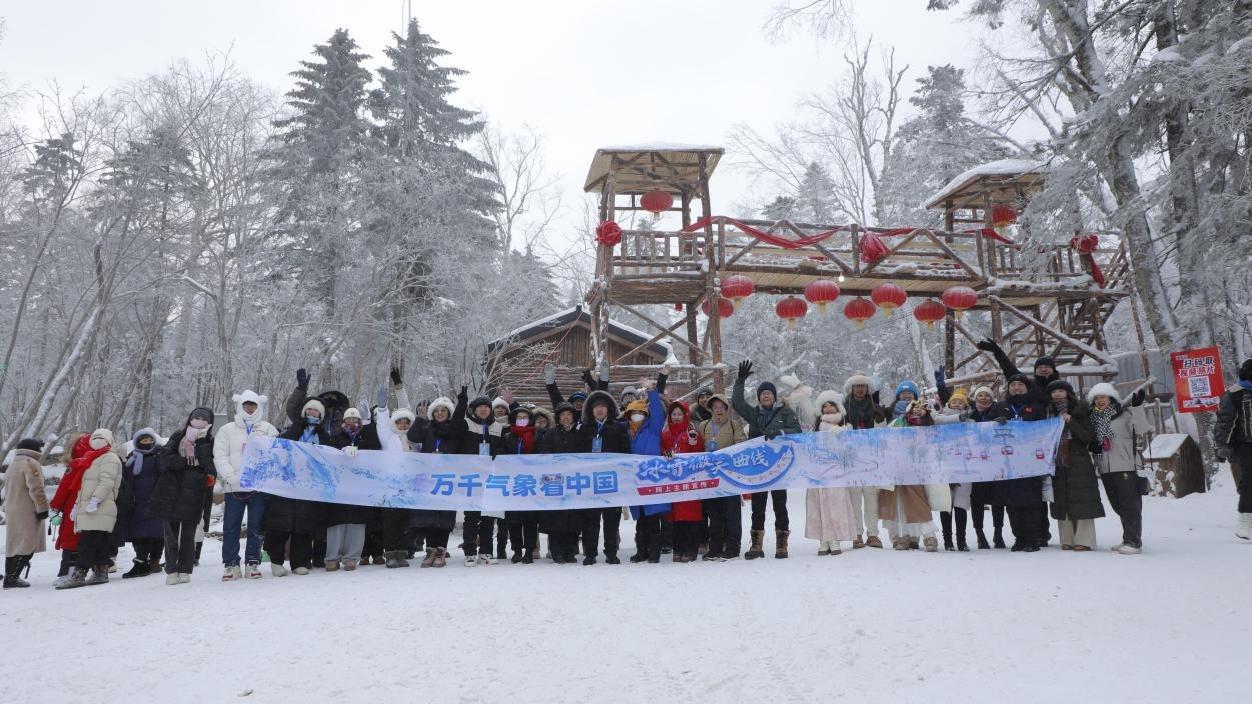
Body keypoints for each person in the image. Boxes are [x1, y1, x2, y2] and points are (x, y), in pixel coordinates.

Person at [732, 360, 802, 560]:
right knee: (757, 506)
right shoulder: (754, 415)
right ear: (759, 398)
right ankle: (756, 545)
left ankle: (782, 544)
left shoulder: (785, 412)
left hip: (779, 466)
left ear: (774, 396)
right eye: (762, 394)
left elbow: (797, 432)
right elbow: (737, 403)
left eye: (768, 393)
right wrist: (739, 382)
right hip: (759, 467)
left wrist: (779, 431)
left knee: (780, 505)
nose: (765, 396)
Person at [213, 390, 278, 580]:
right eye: (246, 405)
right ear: (240, 406)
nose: (249, 408)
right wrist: (229, 475)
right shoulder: (227, 430)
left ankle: (252, 562)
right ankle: (231, 564)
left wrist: (264, 476)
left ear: (259, 407)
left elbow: (276, 454)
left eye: (253, 405)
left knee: (256, 526)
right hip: (234, 487)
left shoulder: (268, 428)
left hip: (258, 488)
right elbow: (220, 454)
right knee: (231, 526)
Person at [150, 408, 216, 585]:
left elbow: (208, 464)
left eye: (204, 418)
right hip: (171, 489)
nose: (199, 420)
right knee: (170, 534)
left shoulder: (210, 440)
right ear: (190, 418)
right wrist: (182, 462)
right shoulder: (178, 435)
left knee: (188, 534)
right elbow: (164, 457)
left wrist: (201, 442)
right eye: (196, 417)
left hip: (194, 490)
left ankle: (185, 569)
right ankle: (171, 569)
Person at [266, 399, 329, 576]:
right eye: (308, 409)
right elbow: (282, 444)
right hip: (287, 482)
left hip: (309, 484)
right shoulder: (293, 429)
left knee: (304, 523)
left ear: (321, 415)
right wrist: (298, 425)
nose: (311, 413)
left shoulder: (323, 434)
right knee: (282, 522)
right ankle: (276, 561)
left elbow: (331, 454)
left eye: (315, 411)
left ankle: (299, 562)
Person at [406, 389, 467, 568]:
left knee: (445, 516)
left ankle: (441, 550)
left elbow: (459, 425)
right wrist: (421, 418)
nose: (440, 413)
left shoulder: (454, 429)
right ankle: (430, 550)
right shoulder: (427, 428)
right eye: (437, 410)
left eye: (444, 410)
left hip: (448, 478)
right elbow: (413, 436)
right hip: (428, 478)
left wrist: (462, 404)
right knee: (429, 516)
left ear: (448, 413)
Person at [57, 429, 122, 590]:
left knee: (88, 541)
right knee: (99, 541)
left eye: (102, 438)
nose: (98, 440)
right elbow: (83, 486)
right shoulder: (93, 457)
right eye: (95, 437)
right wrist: (77, 506)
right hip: (90, 505)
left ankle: (79, 574)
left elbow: (107, 481)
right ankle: (101, 572)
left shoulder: (109, 458)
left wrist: (96, 499)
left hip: (100, 505)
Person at [1046, 380, 1105, 551]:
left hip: (1078, 459)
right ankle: (1067, 538)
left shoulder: (1081, 409)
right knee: (1061, 497)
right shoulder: (1048, 412)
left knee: (1081, 498)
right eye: (1053, 391)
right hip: (1056, 461)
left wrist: (1070, 420)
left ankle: (1084, 540)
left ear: (1068, 393)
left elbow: (1088, 437)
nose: (1057, 394)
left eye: (1060, 391)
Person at [1088, 382, 1145, 554]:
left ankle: (1134, 541)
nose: (1100, 401)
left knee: (1130, 505)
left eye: (1103, 397)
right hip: (1104, 467)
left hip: (1125, 464)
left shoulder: (1124, 414)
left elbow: (1142, 429)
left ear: (1111, 398)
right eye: (1096, 398)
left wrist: (1138, 408)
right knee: (1117, 505)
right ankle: (1127, 538)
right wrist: (1093, 446)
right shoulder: (1092, 419)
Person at [324, 405, 382, 571]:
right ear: (343, 421)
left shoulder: (365, 435)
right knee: (337, 520)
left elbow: (376, 450)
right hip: (340, 485)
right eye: (348, 419)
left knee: (357, 521)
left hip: (360, 485)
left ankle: (352, 557)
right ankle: (332, 557)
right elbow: (328, 453)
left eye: (355, 419)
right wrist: (341, 451)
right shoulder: (336, 436)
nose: (351, 422)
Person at [882, 401, 945, 551]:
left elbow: (935, 443)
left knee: (918, 502)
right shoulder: (898, 423)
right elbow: (886, 439)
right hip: (899, 467)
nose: (919, 410)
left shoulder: (929, 425)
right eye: (916, 407)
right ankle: (903, 535)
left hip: (920, 469)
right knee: (899, 503)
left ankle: (929, 535)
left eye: (923, 408)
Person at [577, 390, 631, 565]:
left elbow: (626, 453)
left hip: (612, 481)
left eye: (603, 407)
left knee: (611, 520)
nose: (599, 410)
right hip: (591, 482)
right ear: (591, 410)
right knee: (590, 520)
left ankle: (611, 552)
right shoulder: (584, 429)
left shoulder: (618, 428)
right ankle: (590, 553)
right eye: (596, 407)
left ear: (608, 409)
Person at [624, 369, 671, 563]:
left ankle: (654, 552)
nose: (637, 416)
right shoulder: (626, 433)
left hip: (653, 479)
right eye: (633, 413)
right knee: (641, 519)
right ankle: (641, 550)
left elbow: (658, 411)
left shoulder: (652, 428)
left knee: (653, 519)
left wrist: (652, 389)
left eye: (640, 413)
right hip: (635, 482)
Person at [804, 391, 857, 556]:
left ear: (837, 407)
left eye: (830, 404)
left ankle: (834, 538)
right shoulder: (817, 428)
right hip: (819, 471)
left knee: (835, 504)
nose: (827, 408)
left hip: (836, 471)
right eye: (824, 406)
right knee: (819, 504)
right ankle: (823, 539)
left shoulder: (846, 427)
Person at [1000, 374, 1047, 552]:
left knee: (1031, 502)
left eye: (1020, 385)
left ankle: (1032, 539)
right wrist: (996, 424)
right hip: (1007, 463)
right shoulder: (1001, 407)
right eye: (1013, 385)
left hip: (1031, 463)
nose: (1016, 388)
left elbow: (1044, 431)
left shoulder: (1036, 408)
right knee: (1012, 503)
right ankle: (1019, 538)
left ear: (1027, 388)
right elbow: (986, 430)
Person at [698, 394, 748, 560]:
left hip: (729, 476)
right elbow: (696, 448)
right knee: (714, 513)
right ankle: (715, 547)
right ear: (711, 410)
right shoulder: (703, 426)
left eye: (721, 407)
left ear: (726, 409)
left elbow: (742, 446)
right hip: (710, 477)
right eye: (715, 407)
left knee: (732, 513)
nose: (718, 410)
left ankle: (733, 547)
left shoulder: (734, 425)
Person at [458, 394, 505, 566]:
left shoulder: (498, 427)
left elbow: (503, 447)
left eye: (486, 407)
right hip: (471, 476)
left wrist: (498, 453)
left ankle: (486, 552)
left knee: (488, 517)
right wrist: (461, 403)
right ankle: (469, 552)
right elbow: (455, 428)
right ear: (474, 409)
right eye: (480, 407)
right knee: (471, 516)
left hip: (491, 477)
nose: (483, 409)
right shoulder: (466, 424)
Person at [842, 373, 886, 548]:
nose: (860, 389)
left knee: (871, 497)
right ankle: (857, 533)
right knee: (853, 497)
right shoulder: (843, 407)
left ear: (867, 389)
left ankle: (873, 534)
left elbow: (883, 431)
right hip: (851, 458)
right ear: (851, 388)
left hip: (871, 458)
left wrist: (879, 419)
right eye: (856, 386)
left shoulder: (875, 406)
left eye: (863, 386)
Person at [538, 401, 584, 563]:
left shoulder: (580, 434)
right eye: (563, 414)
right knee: (556, 519)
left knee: (573, 518)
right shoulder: (551, 433)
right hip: (555, 481)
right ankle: (557, 551)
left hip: (573, 481)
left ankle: (570, 551)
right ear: (558, 417)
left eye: (569, 414)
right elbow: (544, 453)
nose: (566, 417)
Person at [661, 399, 706, 563]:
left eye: (680, 414)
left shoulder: (691, 433)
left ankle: (691, 550)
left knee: (691, 518)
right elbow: (662, 452)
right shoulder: (666, 434)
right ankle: (678, 549)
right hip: (674, 483)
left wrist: (695, 443)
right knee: (676, 520)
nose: (677, 417)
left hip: (690, 483)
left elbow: (699, 454)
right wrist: (665, 454)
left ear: (686, 415)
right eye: (674, 414)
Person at [119, 429, 165, 578]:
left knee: (155, 533)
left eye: (149, 440)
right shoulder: (132, 457)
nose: (146, 443)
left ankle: (151, 562)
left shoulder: (159, 456)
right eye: (143, 441)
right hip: (136, 501)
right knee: (140, 534)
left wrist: (159, 497)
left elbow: (164, 477)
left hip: (154, 501)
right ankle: (144, 562)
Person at [965, 386, 1007, 549]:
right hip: (975, 463)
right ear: (975, 398)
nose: (984, 398)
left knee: (998, 499)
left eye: (987, 395)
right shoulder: (970, 414)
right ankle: (980, 534)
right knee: (977, 499)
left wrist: (1000, 423)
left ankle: (998, 533)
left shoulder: (998, 411)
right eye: (980, 395)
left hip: (996, 461)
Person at [4, 439, 49, 589]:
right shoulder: (30, 463)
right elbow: (36, 488)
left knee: (15, 543)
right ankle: (12, 577)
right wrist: (42, 508)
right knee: (27, 543)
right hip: (27, 509)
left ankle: (10, 575)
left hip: (12, 507)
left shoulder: (13, 464)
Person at [499, 406, 541, 564]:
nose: (522, 420)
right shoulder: (508, 436)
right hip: (512, 483)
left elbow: (543, 456)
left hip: (531, 483)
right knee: (513, 519)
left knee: (530, 520)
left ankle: (529, 550)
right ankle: (516, 550)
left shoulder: (537, 436)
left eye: (525, 417)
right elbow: (501, 453)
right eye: (519, 417)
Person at [1215, 358, 1252, 540]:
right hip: (1244, 445)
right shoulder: (1233, 394)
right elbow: (1224, 422)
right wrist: (1221, 446)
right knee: (1249, 483)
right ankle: (1244, 522)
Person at [933, 384, 973, 552]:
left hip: (965, 467)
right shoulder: (940, 418)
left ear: (965, 405)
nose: (957, 405)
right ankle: (948, 540)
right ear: (949, 404)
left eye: (960, 403)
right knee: (946, 504)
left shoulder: (971, 422)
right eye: (954, 402)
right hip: (945, 467)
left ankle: (961, 540)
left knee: (961, 504)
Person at [49, 434, 90, 586]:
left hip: (72, 506)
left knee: (70, 539)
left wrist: (56, 504)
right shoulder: (96, 462)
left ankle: (68, 571)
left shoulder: (75, 465)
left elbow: (64, 488)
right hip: (89, 506)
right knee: (81, 538)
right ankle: (77, 570)